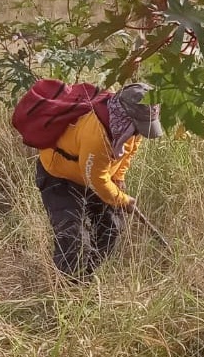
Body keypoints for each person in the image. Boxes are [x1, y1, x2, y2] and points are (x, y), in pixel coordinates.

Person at [35, 82, 163, 278]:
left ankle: (85, 278)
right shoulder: (98, 134)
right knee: (74, 237)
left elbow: (129, 151)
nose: (139, 133)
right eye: (138, 127)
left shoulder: (130, 127)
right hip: (60, 177)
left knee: (112, 227)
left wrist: (119, 178)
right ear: (125, 115)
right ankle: (67, 286)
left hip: (95, 175)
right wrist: (123, 200)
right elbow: (96, 179)